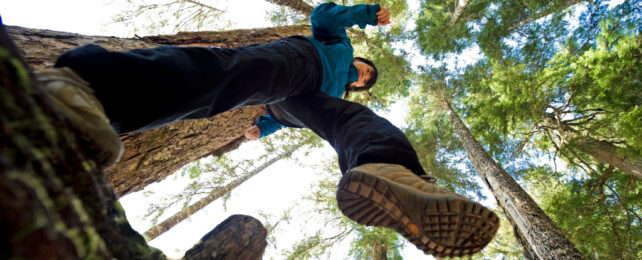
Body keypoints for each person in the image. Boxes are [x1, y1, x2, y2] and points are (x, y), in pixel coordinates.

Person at [38, 2, 498, 257]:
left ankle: (390, 171)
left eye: (364, 80)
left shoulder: (341, 92)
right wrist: (363, 13)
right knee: (225, 75)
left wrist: (264, 128)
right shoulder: (338, 48)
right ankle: (88, 84)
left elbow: (284, 116)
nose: (361, 76)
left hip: (298, 101)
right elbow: (322, 17)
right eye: (363, 70)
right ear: (358, 60)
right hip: (301, 60)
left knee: (354, 121)